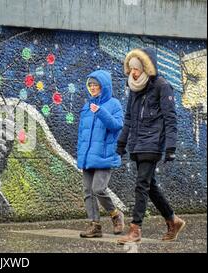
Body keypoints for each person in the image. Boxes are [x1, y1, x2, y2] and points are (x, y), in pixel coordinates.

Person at [116, 47, 186, 244]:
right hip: (138, 144)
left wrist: (170, 147)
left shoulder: (162, 86)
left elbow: (170, 118)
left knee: (141, 185)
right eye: (130, 69)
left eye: (136, 69)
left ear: (146, 67)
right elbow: (129, 118)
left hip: (153, 143)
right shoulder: (135, 88)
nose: (133, 73)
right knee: (149, 186)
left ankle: (135, 229)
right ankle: (173, 220)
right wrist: (121, 142)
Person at [77, 70, 125, 238]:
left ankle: (115, 215)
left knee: (98, 188)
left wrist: (100, 111)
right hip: (88, 156)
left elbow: (117, 125)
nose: (92, 88)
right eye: (90, 85)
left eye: (95, 85)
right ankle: (94, 225)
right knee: (87, 191)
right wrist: (81, 155)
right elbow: (82, 134)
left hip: (105, 156)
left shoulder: (114, 104)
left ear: (104, 86)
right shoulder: (87, 106)